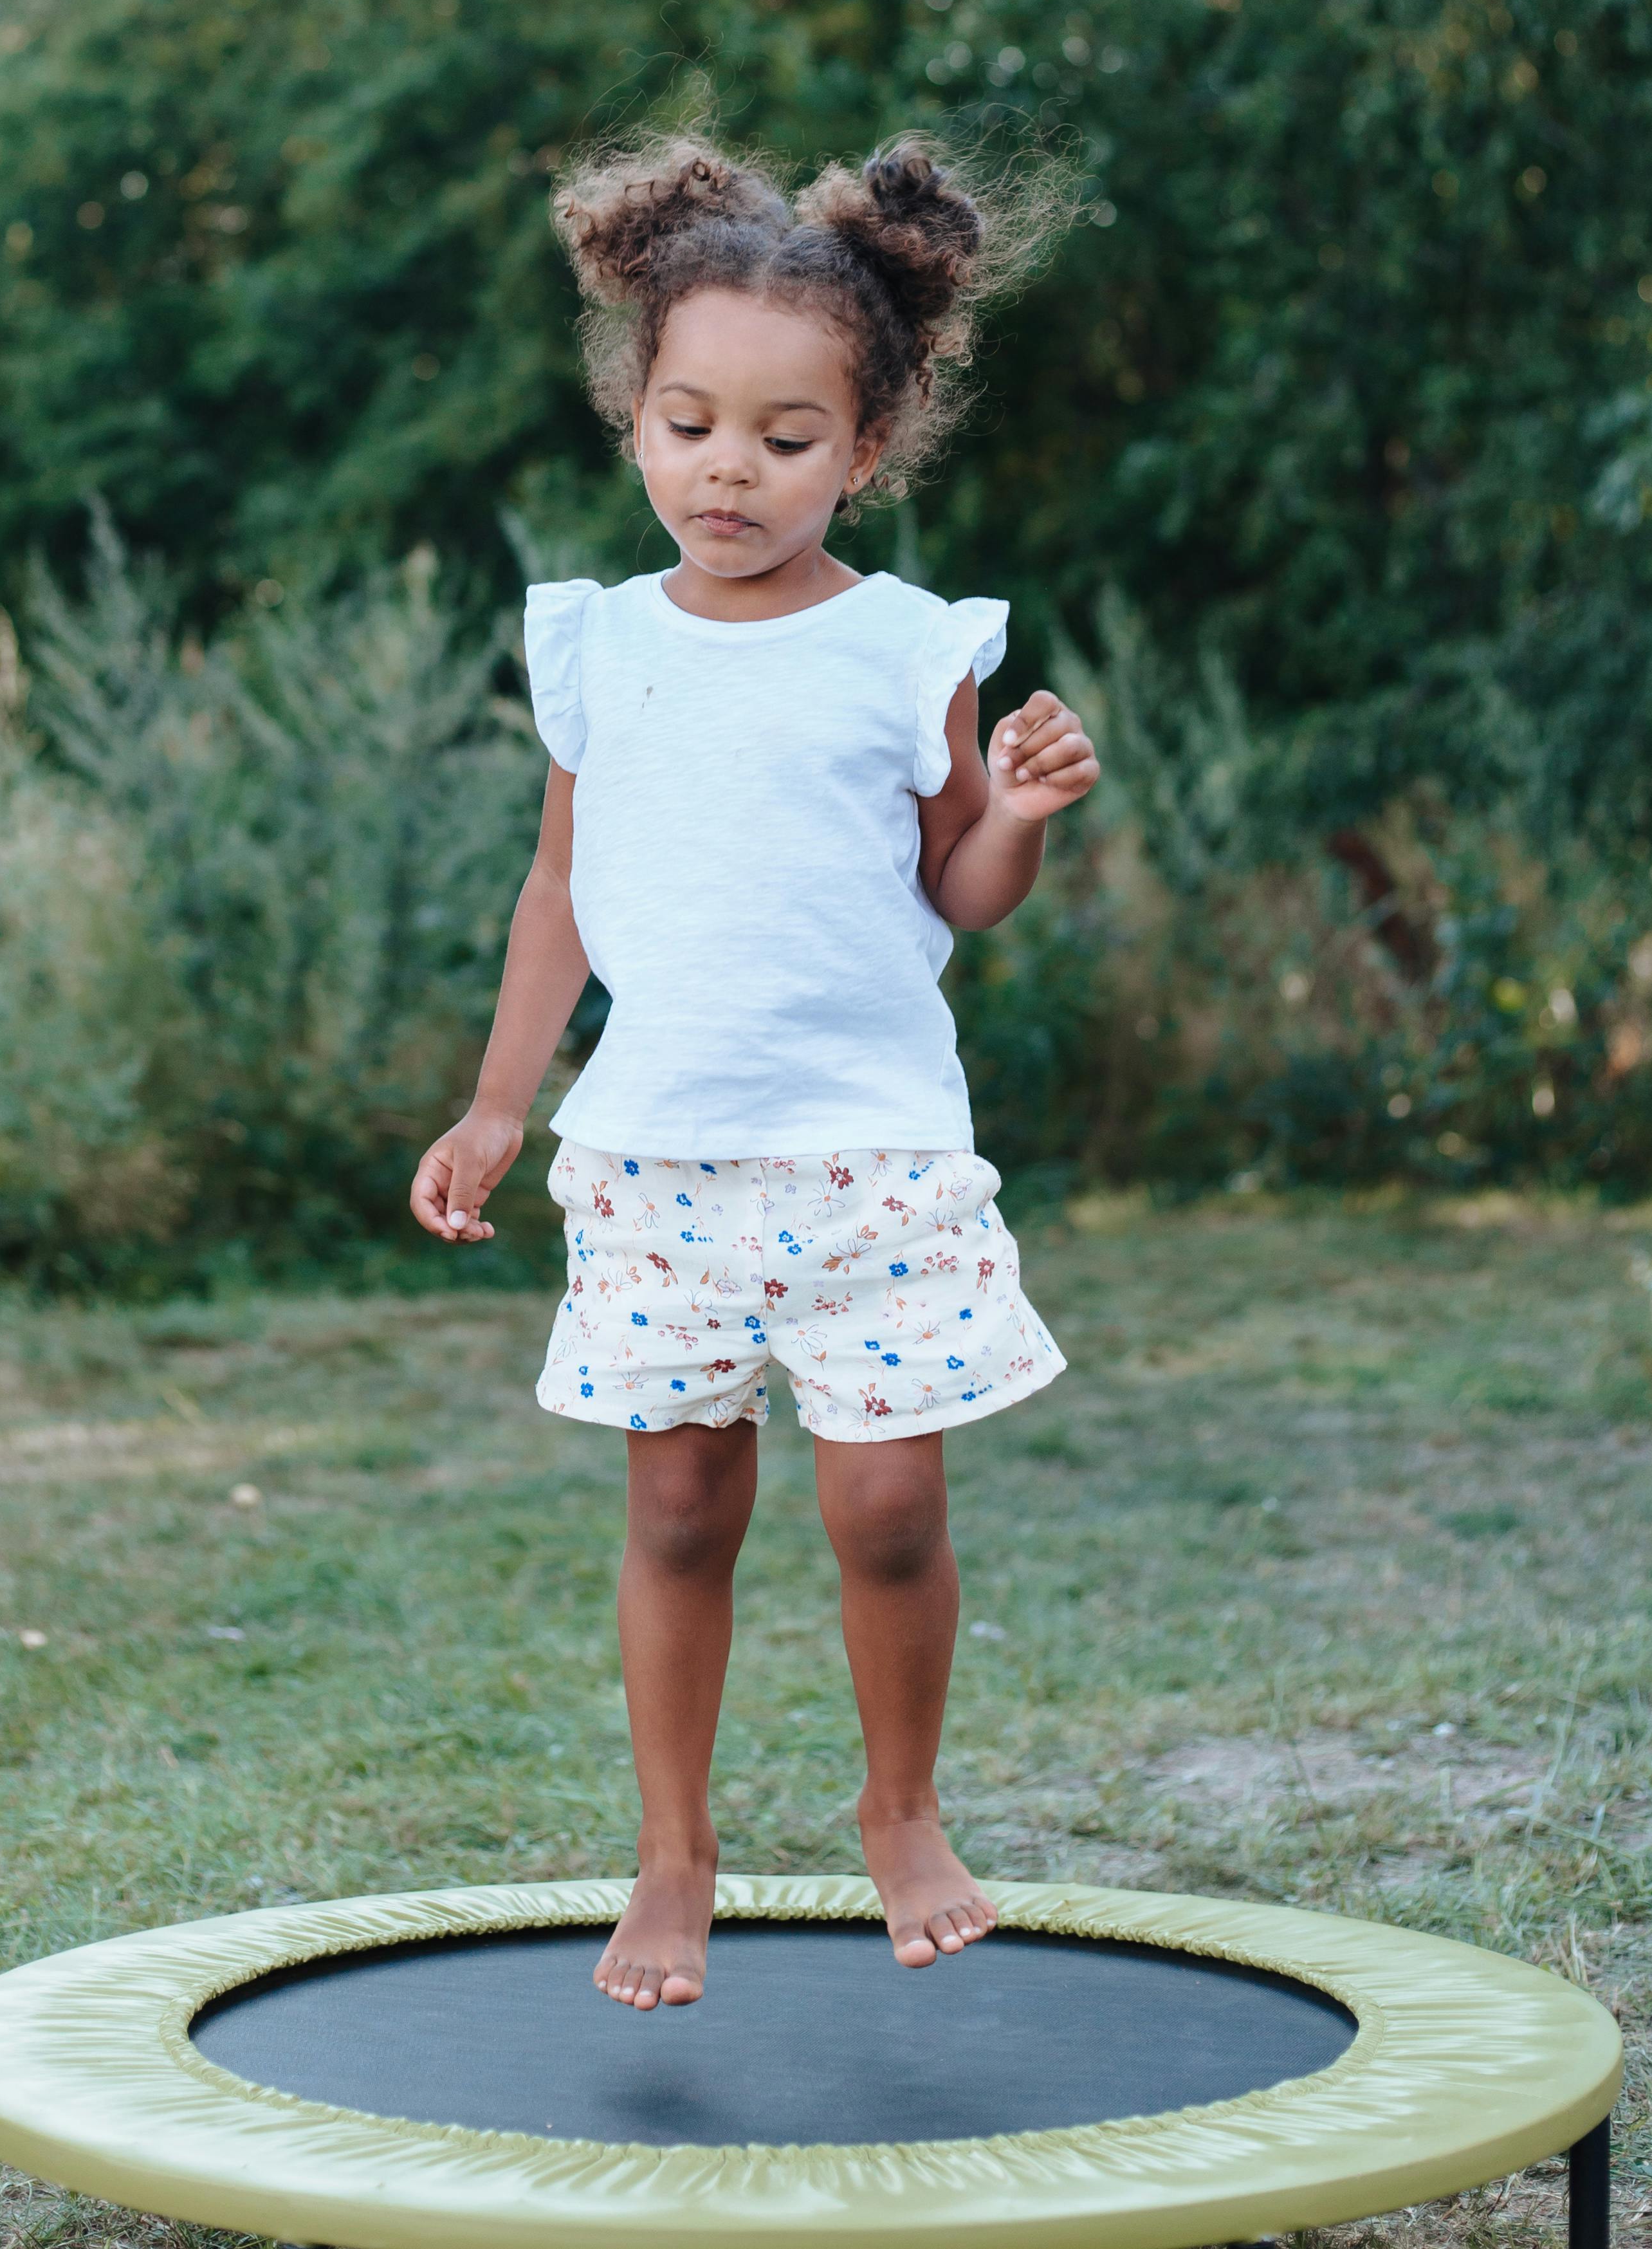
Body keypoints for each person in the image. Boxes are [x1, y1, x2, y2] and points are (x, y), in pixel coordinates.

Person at [408, 132, 1099, 2013]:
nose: (733, 465)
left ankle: (899, 1806)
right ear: (638, 413)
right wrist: (498, 1101)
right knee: (682, 1508)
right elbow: (561, 886)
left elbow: (961, 889)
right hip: (661, 1163)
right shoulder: (601, 644)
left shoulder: (906, 647)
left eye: (787, 439)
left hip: (874, 1151)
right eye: (693, 421)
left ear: (864, 449)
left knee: (886, 1508)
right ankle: (675, 1848)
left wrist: (1022, 815)